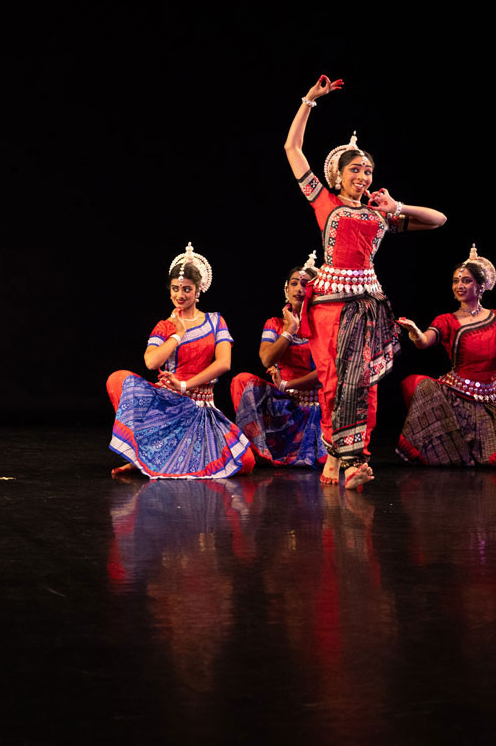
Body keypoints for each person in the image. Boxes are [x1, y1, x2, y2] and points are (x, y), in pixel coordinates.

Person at [284, 76, 447, 487]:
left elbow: (438, 220)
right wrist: (309, 101)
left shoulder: (379, 215)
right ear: (337, 176)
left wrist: (398, 205)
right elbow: (292, 149)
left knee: (364, 382)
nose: (363, 175)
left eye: (368, 170)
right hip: (330, 304)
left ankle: (352, 460)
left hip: (368, 305)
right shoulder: (324, 202)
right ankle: (337, 455)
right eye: (355, 169)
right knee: (334, 380)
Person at [107, 243, 255, 480]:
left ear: (198, 291)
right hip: (169, 404)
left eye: (187, 289)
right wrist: (178, 335)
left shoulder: (215, 321)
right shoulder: (165, 326)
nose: (180, 295)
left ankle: (147, 459)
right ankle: (141, 457)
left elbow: (224, 363)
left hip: (201, 408)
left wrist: (186, 385)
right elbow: (151, 362)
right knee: (118, 379)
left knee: (245, 462)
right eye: (175, 288)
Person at [395, 245, 496, 467]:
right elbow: (424, 342)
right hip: (453, 397)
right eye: (456, 281)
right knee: (415, 384)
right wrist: (415, 331)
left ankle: (461, 450)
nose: (459, 285)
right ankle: (449, 448)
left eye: (466, 281)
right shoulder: (447, 320)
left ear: (481, 286)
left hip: (487, 404)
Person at [230, 252, 324, 467]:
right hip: (285, 408)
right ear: (286, 288)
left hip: (316, 408)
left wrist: (286, 384)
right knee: (242, 380)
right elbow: (266, 359)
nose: (299, 289)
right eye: (294, 283)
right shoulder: (274, 324)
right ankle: (261, 450)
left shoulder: (323, 325)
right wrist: (290, 331)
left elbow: (325, 371)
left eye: (305, 284)